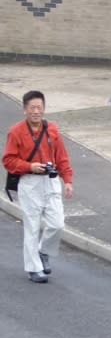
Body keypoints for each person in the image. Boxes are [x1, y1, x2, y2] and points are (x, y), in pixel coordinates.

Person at [2, 90, 74, 283]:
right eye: (32, 107)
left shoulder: (52, 129)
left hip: (50, 181)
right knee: (32, 227)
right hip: (30, 182)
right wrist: (29, 166)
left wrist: (67, 180)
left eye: (39, 107)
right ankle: (33, 268)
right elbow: (8, 160)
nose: (36, 111)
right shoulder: (16, 132)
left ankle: (44, 251)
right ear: (24, 109)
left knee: (57, 224)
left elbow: (62, 156)